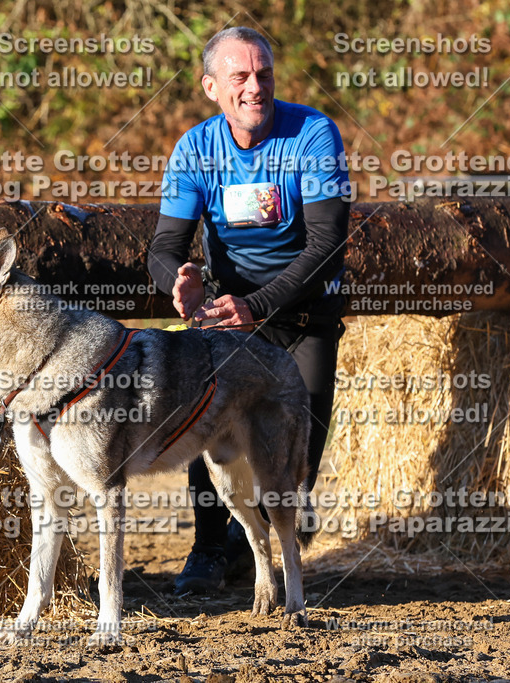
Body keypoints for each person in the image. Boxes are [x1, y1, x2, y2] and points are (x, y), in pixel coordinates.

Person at [147, 27, 351, 595]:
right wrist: (179, 282)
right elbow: (163, 250)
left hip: (303, 308)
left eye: (263, 75)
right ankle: (211, 549)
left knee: (294, 448)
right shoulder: (194, 149)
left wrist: (257, 305)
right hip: (227, 311)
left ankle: (267, 533)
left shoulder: (312, 133)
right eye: (239, 77)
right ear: (213, 87)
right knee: (205, 419)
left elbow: (327, 242)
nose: (254, 87)